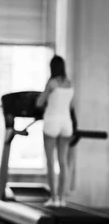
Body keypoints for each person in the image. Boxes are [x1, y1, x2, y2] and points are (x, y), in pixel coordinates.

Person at [36, 55, 74, 207]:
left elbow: (39, 102)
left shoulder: (51, 83)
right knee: (63, 162)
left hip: (52, 122)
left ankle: (53, 198)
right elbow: (70, 107)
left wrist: (43, 100)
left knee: (50, 162)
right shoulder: (70, 84)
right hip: (66, 123)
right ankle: (62, 199)